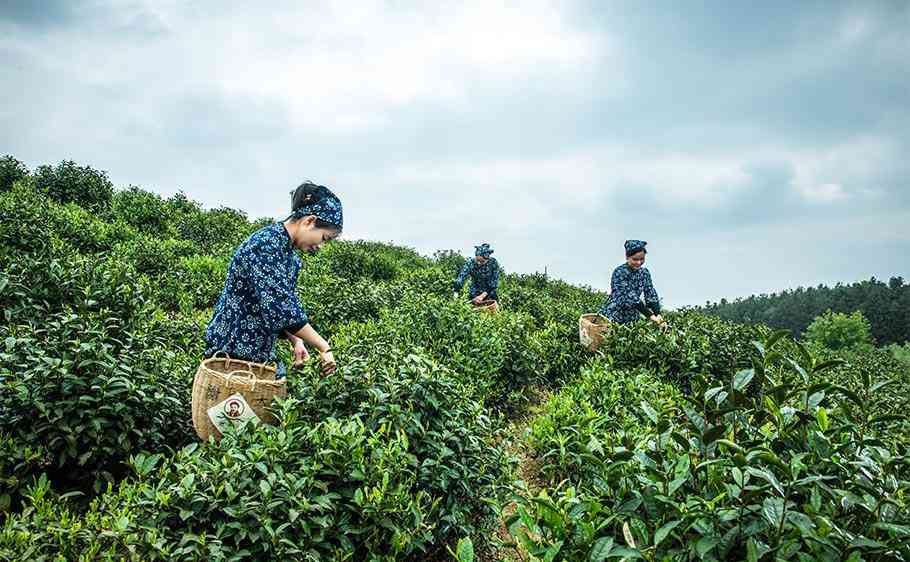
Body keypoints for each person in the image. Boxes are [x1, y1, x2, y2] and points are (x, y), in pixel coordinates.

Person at [204, 181, 342, 378]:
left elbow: (281, 304)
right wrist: (324, 347)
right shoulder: (265, 246)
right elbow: (280, 307)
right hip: (231, 351)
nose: (320, 246)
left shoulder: (291, 258)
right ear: (309, 221)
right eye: (324, 238)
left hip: (259, 352)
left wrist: (297, 341)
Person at [599, 239, 664, 326]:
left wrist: (657, 314)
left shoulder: (644, 273)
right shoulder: (620, 272)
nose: (639, 262)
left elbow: (650, 292)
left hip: (632, 317)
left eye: (642, 259)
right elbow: (629, 297)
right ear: (627, 257)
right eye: (635, 259)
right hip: (614, 315)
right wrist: (650, 316)